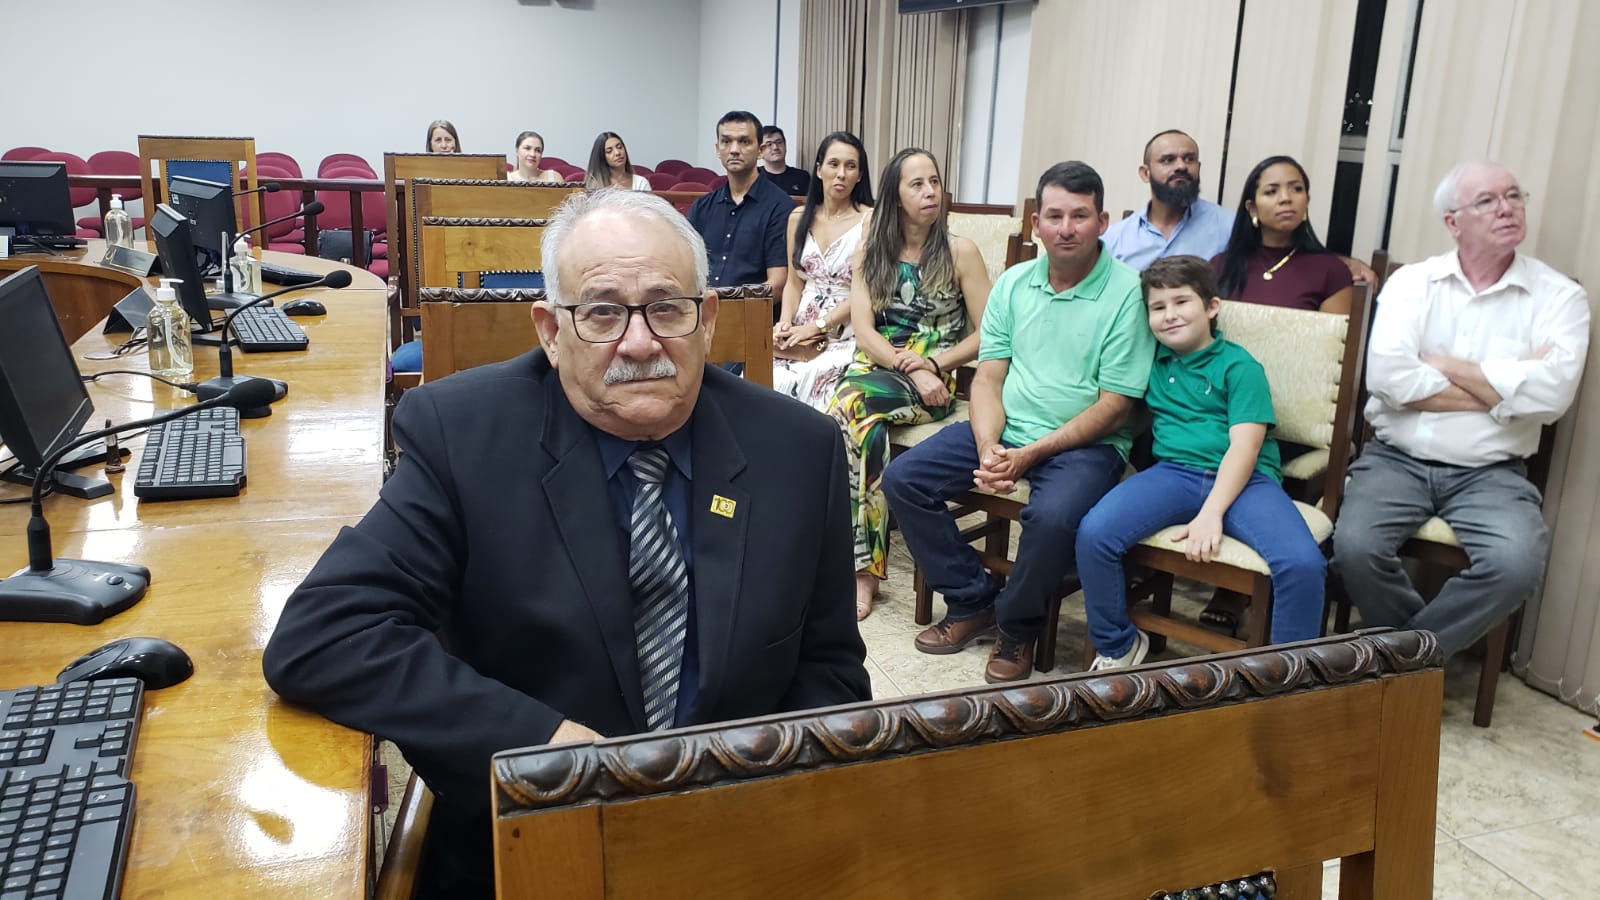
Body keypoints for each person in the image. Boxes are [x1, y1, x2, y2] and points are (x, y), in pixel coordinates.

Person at [262, 188, 871, 898]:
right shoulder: (464, 437)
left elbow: (830, 670)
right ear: (551, 331)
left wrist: (762, 803)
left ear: (706, 320)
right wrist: (543, 748)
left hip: (736, 842)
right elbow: (324, 635)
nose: (640, 343)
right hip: (530, 843)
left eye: (667, 308)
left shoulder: (800, 450)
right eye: (603, 312)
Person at [881, 161, 1151, 683]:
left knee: (1050, 518)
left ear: (1102, 222)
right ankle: (971, 599)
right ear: (1036, 224)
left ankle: (1016, 626)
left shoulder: (1127, 294)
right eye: (1055, 216)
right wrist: (988, 445)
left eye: (1080, 216)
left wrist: (1029, 455)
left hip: (1087, 445)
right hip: (1008, 429)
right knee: (904, 479)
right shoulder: (1013, 284)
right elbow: (988, 378)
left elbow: (1115, 407)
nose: (1066, 228)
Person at [1331, 161, 1588, 660]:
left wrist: (1445, 365)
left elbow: (1551, 398)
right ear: (1453, 222)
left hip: (1492, 473)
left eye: (1514, 195)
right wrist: (1508, 387)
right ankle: (1419, 661)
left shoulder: (1559, 297)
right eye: (1488, 201)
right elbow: (1388, 380)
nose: (1507, 208)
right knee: (1355, 549)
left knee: (1516, 565)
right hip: (1395, 460)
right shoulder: (1413, 283)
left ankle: (1402, 662)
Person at [1075, 255, 1327, 670]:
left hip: (1247, 480)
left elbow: (1244, 449)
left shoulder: (1239, 366)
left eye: (1182, 302)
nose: (1170, 315)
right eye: (1158, 307)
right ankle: (1118, 646)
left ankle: (1290, 676)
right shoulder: (1151, 360)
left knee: (1302, 563)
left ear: (1212, 306)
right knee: (1094, 533)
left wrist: (1212, 513)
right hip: (1174, 473)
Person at [829, 148, 990, 621]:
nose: (929, 192)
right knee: (851, 417)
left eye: (934, 182)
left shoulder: (961, 252)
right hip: (880, 368)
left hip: (934, 383)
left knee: (851, 409)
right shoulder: (870, 251)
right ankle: (856, 561)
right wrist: (911, 368)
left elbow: (989, 334)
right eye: (917, 184)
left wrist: (932, 365)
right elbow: (865, 332)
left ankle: (861, 570)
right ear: (895, 196)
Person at [771, 131, 872, 411]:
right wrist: (785, 322)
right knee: (756, 378)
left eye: (850, 166)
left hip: (845, 331)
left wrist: (817, 326)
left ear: (859, 176)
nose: (841, 174)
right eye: (833, 164)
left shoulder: (870, 220)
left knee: (802, 382)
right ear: (818, 170)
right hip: (800, 331)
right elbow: (794, 283)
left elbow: (866, 292)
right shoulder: (798, 218)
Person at [1211, 155, 1352, 313]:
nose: (1286, 198)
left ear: (1306, 201)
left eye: (1297, 189)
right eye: (1271, 191)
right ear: (1252, 209)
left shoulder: (1331, 271)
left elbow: (1333, 330)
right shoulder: (1220, 266)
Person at [686, 110, 793, 301]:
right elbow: (686, 267)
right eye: (726, 141)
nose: (734, 149)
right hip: (701, 310)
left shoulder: (780, 207)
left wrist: (721, 300)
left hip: (750, 313)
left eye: (744, 141)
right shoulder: (701, 207)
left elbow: (777, 285)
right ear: (718, 149)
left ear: (760, 151)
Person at [1103, 129, 1234, 271]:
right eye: (1168, 160)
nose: (1181, 166)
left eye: (1189, 159)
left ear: (1199, 167)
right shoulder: (1114, 240)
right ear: (1145, 173)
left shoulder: (1230, 229)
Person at [584, 131, 650, 191]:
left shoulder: (641, 182)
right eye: (609, 151)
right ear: (601, 157)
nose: (617, 153)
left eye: (619, 147)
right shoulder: (593, 186)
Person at [759, 125, 812, 196]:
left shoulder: (802, 177)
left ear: (785, 146)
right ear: (760, 151)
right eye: (769, 144)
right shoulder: (753, 177)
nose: (775, 147)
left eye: (779, 142)